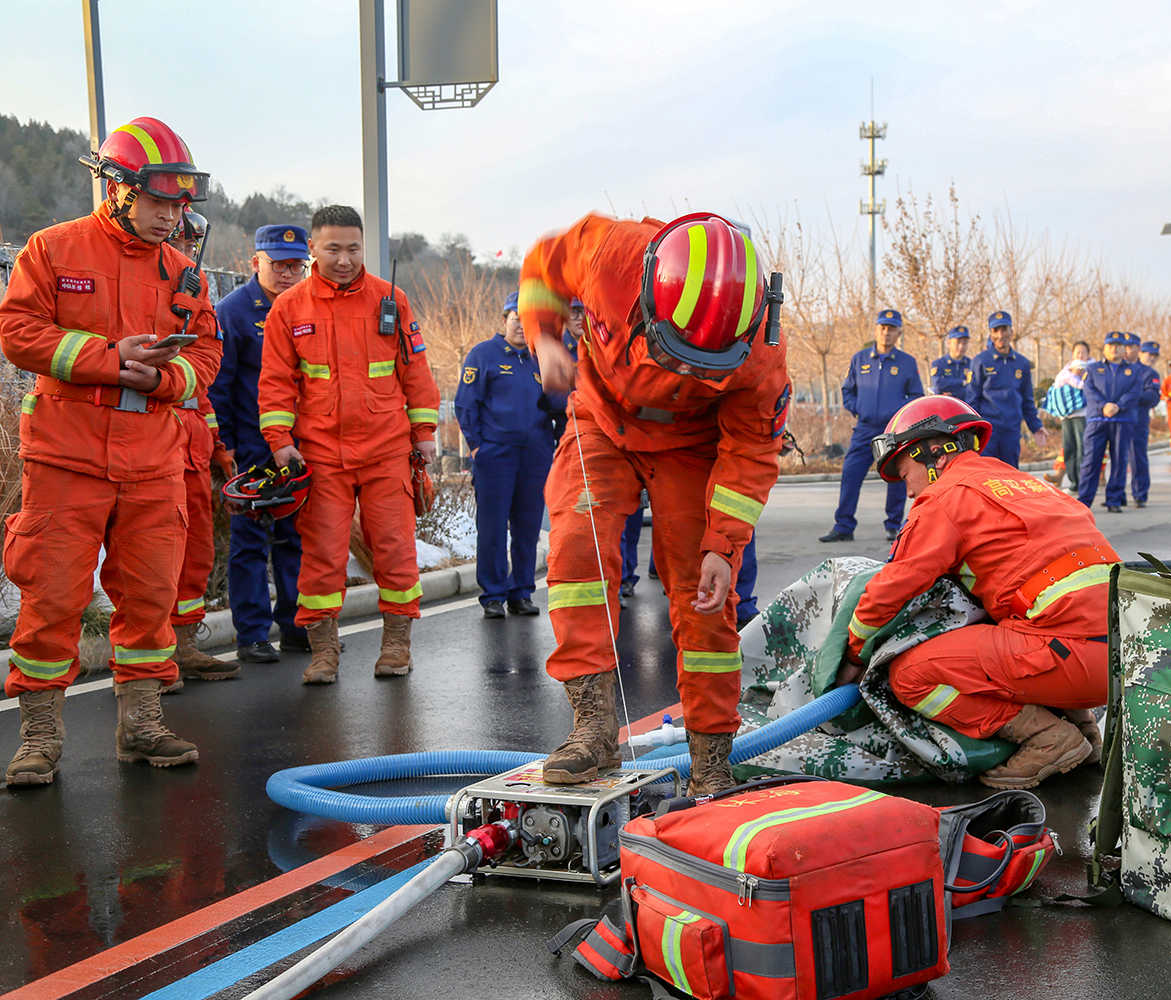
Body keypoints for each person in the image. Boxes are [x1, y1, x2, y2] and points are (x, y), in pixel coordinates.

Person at [518, 211, 789, 794]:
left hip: (690, 448)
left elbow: (751, 449)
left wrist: (723, 544)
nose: (687, 369)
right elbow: (542, 267)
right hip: (601, 420)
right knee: (573, 552)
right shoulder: (605, 252)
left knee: (706, 593)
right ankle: (593, 726)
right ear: (648, 294)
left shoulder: (761, 350)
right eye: (679, 351)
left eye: (704, 362)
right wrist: (543, 336)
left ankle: (711, 757)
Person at [1, 116, 220, 785]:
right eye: (159, 200)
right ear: (118, 189)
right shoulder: (53, 249)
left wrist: (162, 377)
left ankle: (141, 723)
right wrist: (104, 358)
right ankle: (39, 734)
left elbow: (206, 354)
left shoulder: (185, 273)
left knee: (151, 597)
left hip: (152, 458)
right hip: (67, 457)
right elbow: (16, 331)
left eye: (180, 203)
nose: (171, 215)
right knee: (53, 597)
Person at [836, 396, 1116, 789]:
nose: (909, 491)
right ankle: (1085, 732)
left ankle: (1046, 739)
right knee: (1023, 622)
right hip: (1120, 659)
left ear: (932, 452)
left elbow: (895, 584)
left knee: (910, 675)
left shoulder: (947, 496)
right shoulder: (1028, 484)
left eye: (905, 473)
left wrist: (853, 653)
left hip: (1071, 659)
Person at [258, 205, 440, 684]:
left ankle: (396, 647)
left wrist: (424, 436)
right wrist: (279, 442)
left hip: (386, 451)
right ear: (313, 249)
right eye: (333, 248)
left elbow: (415, 373)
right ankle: (323, 654)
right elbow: (276, 382)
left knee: (395, 549)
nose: (344, 259)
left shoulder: (391, 299)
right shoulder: (289, 308)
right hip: (320, 456)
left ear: (364, 247)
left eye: (353, 248)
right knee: (321, 555)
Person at [211, 225, 311, 663]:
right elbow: (220, 386)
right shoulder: (233, 312)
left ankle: (295, 627)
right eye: (278, 265)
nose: (288, 273)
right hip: (251, 447)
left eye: (296, 265)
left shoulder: (310, 309)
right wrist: (225, 446)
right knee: (249, 542)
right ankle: (251, 634)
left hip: (296, 446)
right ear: (256, 262)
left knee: (296, 539)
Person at [162, 211, 239, 687]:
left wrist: (218, 448)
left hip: (192, 447)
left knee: (195, 551)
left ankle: (185, 646)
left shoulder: (192, 296)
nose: (190, 249)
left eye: (192, 242)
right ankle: (152, 660)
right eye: (183, 240)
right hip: (156, 443)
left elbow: (203, 389)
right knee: (153, 558)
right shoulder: (151, 292)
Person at [454, 290, 552, 619]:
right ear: (505, 319)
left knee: (527, 528)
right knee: (493, 528)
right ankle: (493, 594)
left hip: (534, 456)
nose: (523, 326)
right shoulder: (484, 355)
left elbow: (558, 404)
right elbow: (465, 404)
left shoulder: (541, 359)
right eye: (516, 318)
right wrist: (477, 445)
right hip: (495, 456)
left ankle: (521, 592)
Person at [820, 309, 923, 543]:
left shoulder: (907, 363)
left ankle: (893, 526)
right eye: (882, 328)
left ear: (898, 333)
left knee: (896, 477)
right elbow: (848, 389)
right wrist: (857, 408)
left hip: (892, 432)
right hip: (864, 429)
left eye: (891, 329)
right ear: (876, 330)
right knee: (850, 474)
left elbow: (916, 396)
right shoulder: (861, 359)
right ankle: (844, 526)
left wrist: (898, 414)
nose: (886, 333)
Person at [966, 310, 1047, 466]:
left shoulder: (1022, 364)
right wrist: (972, 430)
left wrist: (1036, 427)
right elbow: (972, 398)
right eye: (996, 330)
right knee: (987, 476)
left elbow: (1027, 400)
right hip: (988, 432)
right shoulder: (980, 361)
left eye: (1004, 329)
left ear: (1011, 332)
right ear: (990, 334)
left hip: (1011, 431)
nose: (1000, 335)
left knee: (1010, 476)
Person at [1076, 331, 1140, 513]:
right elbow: (1089, 391)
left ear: (1124, 349)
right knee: (1091, 460)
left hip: (1122, 419)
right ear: (1104, 348)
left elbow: (1134, 392)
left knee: (1120, 460)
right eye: (1111, 345)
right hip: (1097, 419)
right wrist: (1104, 406)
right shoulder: (1093, 369)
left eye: (1119, 346)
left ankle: (1114, 499)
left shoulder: (1133, 370)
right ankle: (1084, 500)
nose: (1115, 349)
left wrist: (1118, 406)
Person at [1044, 340, 1090, 490]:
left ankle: (1082, 481)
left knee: (1081, 447)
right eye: (1078, 352)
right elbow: (1058, 384)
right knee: (1069, 447)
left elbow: (1085, 386)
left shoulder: (1091, 369)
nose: (1080, 355)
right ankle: (1073, 481)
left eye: (1083, 352)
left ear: (1088, 355)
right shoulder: (1066, 370)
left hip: (1081, 414)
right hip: (1066, 415)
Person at [1126, 337, 1162, 508]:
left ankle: (1140, 494)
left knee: (1137, 457)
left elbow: (1153, 397)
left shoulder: (1149, 374)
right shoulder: (1118, 368)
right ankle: (1115, 495)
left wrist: (1130, 397)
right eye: (1149, 354)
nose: (1152, 357)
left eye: (1155, 355)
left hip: (1137, 420)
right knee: (1116, 459)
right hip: (1114, 419)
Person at [929, 326, 972, 397]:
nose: (961, 346)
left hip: (965, 406)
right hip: (944, 405)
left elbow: (973, 389)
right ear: (949, 343)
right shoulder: (939, 364)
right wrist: (962, 382)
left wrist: (952, 393)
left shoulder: (972, 364)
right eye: (957, 342)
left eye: (964, 343)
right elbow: (938, 384)